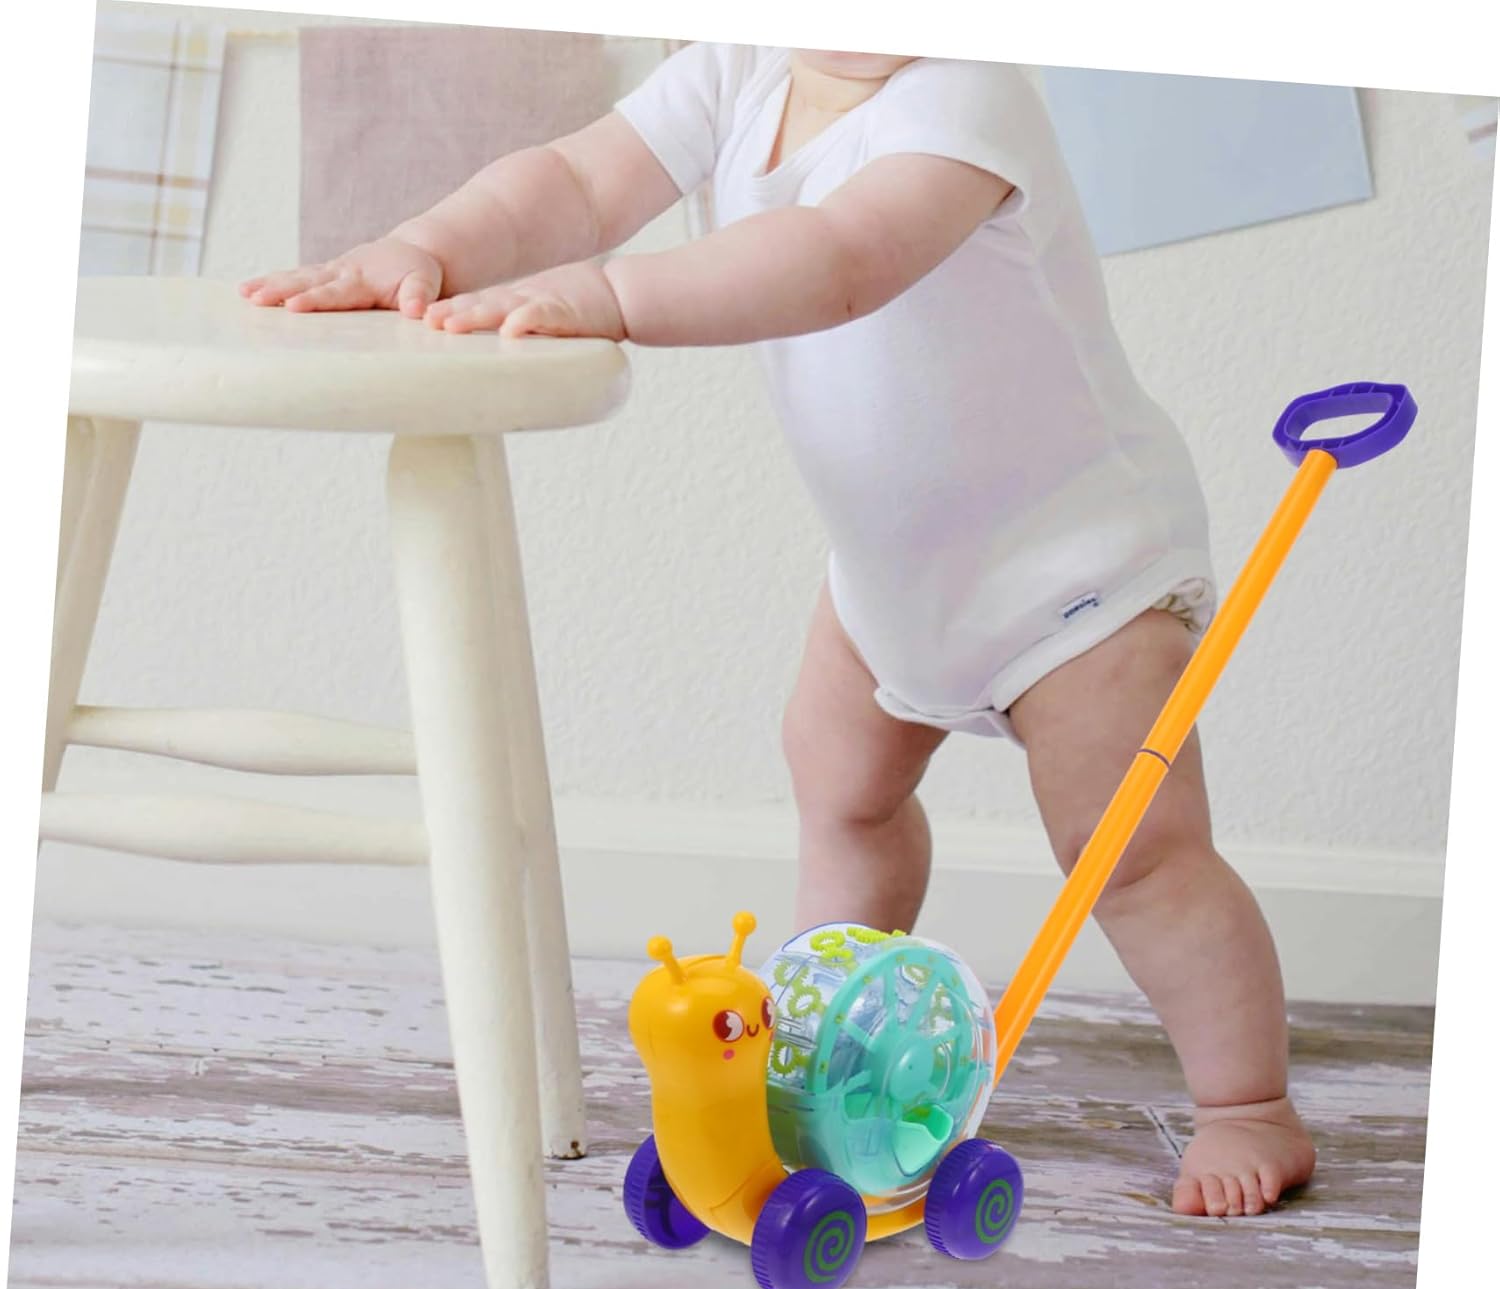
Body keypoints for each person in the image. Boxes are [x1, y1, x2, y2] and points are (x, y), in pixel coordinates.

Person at [242, 44, 1317, 1217]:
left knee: (1134, 853)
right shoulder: (736, 73)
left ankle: (1246, 1102)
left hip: (1075, 570)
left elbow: (841, 260)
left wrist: (612, 298)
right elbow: (575, 181)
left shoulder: (969, 97)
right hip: (893, 573)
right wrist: (429, 247)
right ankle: (828, 1056)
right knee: (841, 793)